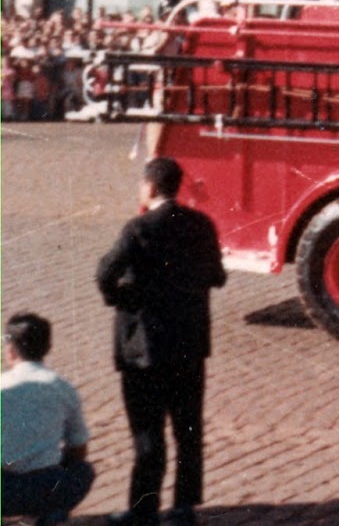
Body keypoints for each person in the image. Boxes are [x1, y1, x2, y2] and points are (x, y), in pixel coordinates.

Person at [95, 156, 227, 526]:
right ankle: (184, 505)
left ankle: (144, 508)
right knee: (188, 428)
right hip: (189, 343)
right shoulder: (202, 225)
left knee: (148, 432)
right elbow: (217, 276)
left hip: (145, 348)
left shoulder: (138, 228)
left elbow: (105, 273)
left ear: (150, 187)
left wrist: (123, 298)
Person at [2, 312, 95, 525]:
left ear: (11, 350)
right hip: (46, 486)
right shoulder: (63, 387)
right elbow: (79, 447)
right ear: (48, 347)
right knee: (84, 471)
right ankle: (52, 513)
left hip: (4, 491)